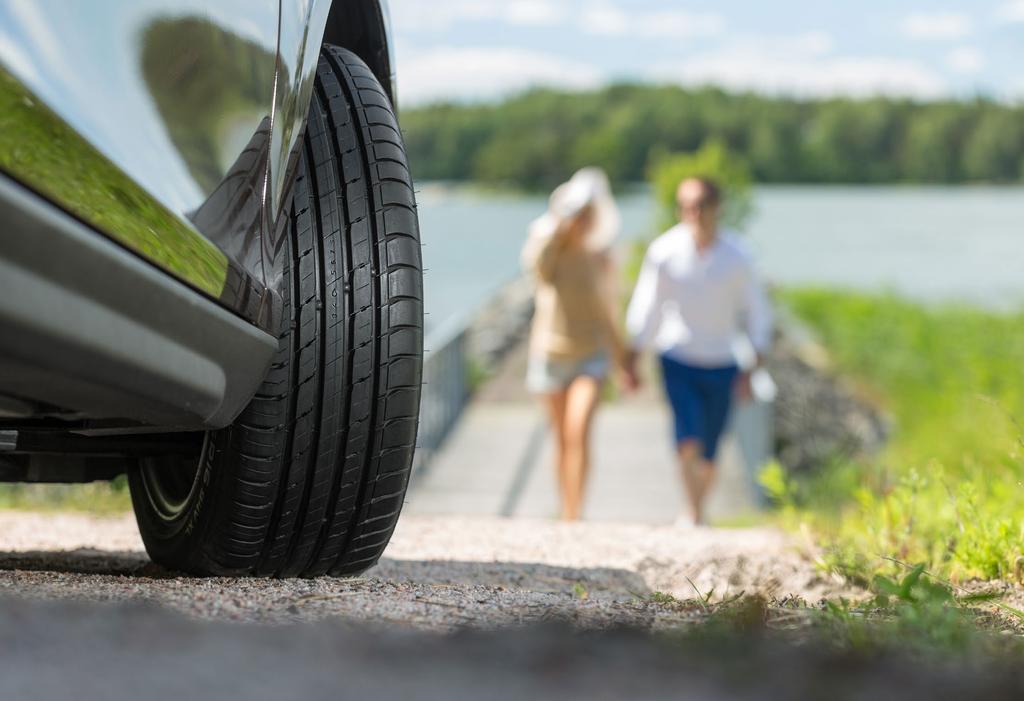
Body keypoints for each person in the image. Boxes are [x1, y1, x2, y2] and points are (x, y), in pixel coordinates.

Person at [625, 177, 772, 527]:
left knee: (710, 449)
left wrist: (755, 363)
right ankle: (692, 514)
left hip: (722, 360)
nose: (694, 213)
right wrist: (632, 355)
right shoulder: (664, 251)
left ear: (717, 207)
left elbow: (756, 311)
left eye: (701, 204)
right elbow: (648, 305)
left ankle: (697, 508)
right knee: (686, 437)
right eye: (686, 206)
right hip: (677, 356)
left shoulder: (738, 255)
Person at [521, 167, 636, 521]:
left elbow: (608, 311)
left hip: (590, 355)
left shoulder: (600, 257)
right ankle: (566, 507)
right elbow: (536, 267)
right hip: (550, 353)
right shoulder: (550, 251)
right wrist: (558, 226)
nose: (583, 222)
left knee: (579, 430)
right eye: (579, 215)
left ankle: (576, 512)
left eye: (589, 215)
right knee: (561, 439)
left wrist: (624, 361)